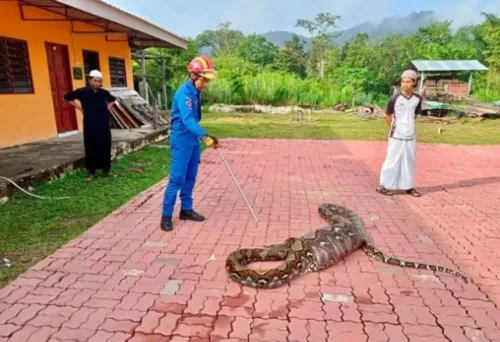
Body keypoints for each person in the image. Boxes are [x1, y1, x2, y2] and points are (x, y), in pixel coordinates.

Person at [161, 56, 220, 232]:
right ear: (194, 76)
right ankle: (166, 216)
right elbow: (187, 119)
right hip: (181, 140)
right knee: (177, 178)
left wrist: (200, 136)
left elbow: (195, 119)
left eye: (208, 81)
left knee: (191, 176)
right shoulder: (183, 93)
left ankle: (186, 210)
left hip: (193, 140)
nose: (206, 84)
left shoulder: (196, 92)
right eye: (204, 80)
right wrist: (205, 136)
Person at [64, 70, 117, 181]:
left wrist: (107, 107)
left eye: (100, 81)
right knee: (91, 145)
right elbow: (67, 98)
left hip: (103, 122)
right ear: (89, 80)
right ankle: (91, 172)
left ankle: (106, 170)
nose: (98, 83)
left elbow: (113, 100)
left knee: (105, 145)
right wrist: (80, 108)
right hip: (90, 123)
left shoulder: (103, 92)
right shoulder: (82, 92)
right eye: (95, 81)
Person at [377, 69, 423, 197]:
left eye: (408, 82)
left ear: (414, 82)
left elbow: (415, 116)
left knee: (409, 161)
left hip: (410, 136)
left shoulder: (418, 99)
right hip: (396, 135)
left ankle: (408, 186)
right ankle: (384, 185)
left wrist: (408, 126)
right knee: (392, 160)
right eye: (403, 81)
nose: (404, 84)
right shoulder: (394, 98)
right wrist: (395, 127)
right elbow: (387, 116)